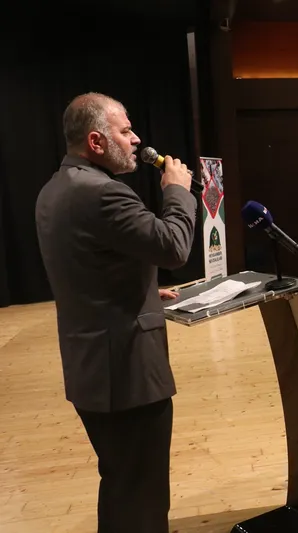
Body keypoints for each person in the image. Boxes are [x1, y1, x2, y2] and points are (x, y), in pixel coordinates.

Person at [34, 93, 196, 533]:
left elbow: (85, 266)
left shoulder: (55, 189)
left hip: (91, 370)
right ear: (96, 141)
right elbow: (173, 247)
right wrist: (176, 191)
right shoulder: (104, 193)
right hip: (126, 377)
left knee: (123, 485)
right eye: (125, 131)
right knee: (143, 496)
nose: (136, 138)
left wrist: (140, 287)